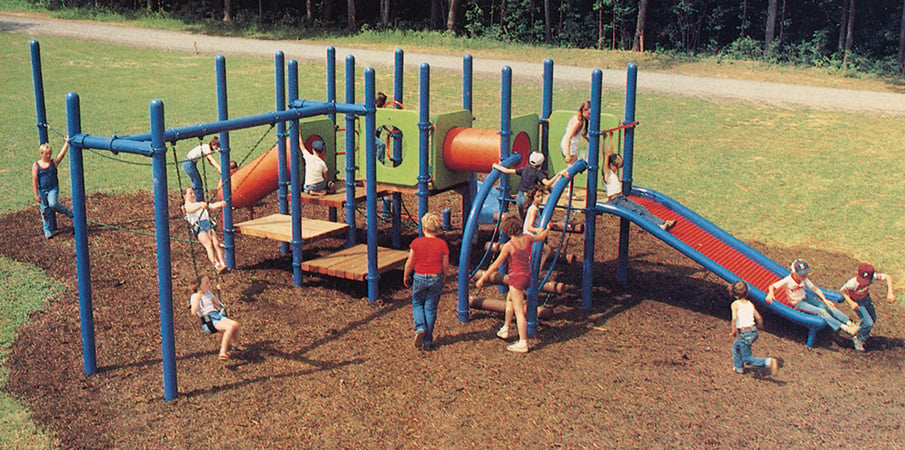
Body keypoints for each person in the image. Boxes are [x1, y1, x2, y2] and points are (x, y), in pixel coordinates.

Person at [475, 213, 551, 354]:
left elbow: (495, 265)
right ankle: (506, 327)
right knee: (510, 299)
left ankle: (523, 342)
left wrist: (483, 278)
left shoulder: (509, 246)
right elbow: (541, 238)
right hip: (527, 276)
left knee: (519, 311)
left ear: (507, 231)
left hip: (516, 279)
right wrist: (547, 228)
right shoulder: (527, 238)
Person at [602, 131, 677, 231]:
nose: (617, 168)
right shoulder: (607, 174)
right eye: (616, 166)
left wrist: (610, 137)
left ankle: (662, 223)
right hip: (615, 201)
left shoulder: (613, 173)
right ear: (611, 165)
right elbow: (606, 155)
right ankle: (657, 226)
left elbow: (611, 154)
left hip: (621, 198)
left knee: (642, 209)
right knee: (636, 211)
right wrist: (603, 139)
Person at [765, 259, 859, 337]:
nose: (804, 276)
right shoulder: (788, 280)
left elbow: (814, 288)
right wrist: (771, 293)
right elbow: (772, 286)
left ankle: (848, 322)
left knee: (825, 306)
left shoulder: (804, 279)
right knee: (821, 311)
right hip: (798, 303)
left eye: (805, 274)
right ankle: (843, 327)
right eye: (801, 274)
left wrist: (825, 299)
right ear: (794, 273)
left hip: (805, 298)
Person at [402, 212, 450, 351]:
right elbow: (445, 265)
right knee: (430, 307)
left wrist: (406, 275)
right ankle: (428, 340)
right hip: (436, 277)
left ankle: (420, 327)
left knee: (417, 303)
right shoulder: (442, 244)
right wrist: (445, 276)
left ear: (424, 228)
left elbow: (411, 262)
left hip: (420, 276)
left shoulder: (417, 243)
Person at [840, 263, 895, 352]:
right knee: (868, 323)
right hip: (857, 302)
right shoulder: (852, 283)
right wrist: (851, 302)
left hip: (866, 299)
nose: (863, 282)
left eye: (866, 280)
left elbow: (888, 277)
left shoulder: (873, 277)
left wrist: (890, 292)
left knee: (873, 318)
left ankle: (859, 328)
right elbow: (842, 290)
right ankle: (859, 339)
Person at [728, 280, 779, 376]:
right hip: (753, 331)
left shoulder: (735, 304)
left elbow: (734, 319)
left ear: (734, 294)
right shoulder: (750, 304)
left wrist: (733, 330)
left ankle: (768, 362)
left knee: (747, 359)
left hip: (745, 333)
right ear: (746, 292)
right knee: (737, 346)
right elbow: (758, 317)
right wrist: (760, 326)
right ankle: (738, 368)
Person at [492, 151, 565, 214]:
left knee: (522, 217)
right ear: (541, 164)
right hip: (528, 198)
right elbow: (547, 183)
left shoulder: (524, 170)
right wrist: (558, 175)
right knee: (529, 216)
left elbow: (507, 171)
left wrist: (497, 166)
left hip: (519, 197)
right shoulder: (538, 173)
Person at [189, 275, 241, 360]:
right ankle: (222, 352)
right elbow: (194, 312)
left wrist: (218, 292)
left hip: (217, 315)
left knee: (235, 324)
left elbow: (217, 304)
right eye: (206, 283)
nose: (209, 285)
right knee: (229, 328)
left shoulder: (209, 293)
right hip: (209, 320)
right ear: (200, 285)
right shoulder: (195, 296)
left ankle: (236, 345)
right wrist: (197, 300)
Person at [31, 138, 74, 238]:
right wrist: (36, 194)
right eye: (46, 154)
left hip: (52, 188)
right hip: (42, 190)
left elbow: (61, 155)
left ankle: (69, 213)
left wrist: (67, 143)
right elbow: (34, 180)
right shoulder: (36, 165)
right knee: (45, 210)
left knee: (53, 204)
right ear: (41, 154)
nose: (48, 156)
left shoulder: (53, 163)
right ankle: (47, 230)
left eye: (49, 153)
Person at [182, 186, 227, 273]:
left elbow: (212, 206)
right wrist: (200, 205)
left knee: (216, 243)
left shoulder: (199, 203)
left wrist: (220, 204)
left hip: (207, 224)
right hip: (198, 227)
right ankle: (216, 264)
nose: (193, 195)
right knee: (208, 245)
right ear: (184, 196)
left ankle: (222, 262)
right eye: (190, 193)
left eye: (193, 193)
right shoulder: (186, 206)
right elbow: (190, 210)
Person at [521, 186, 553, 269]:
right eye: (538, 196)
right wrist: (540, 230)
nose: (541, 198)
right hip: (529, 236)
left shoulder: (534, 208)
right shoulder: (534, 210)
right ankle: (536, 269)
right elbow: (529, 227)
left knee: (546, 250)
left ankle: (537, 268)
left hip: (530, 236)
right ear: (533, 198)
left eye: (541, 195)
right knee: (545, 251)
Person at [182, 136, 222, 202]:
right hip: (188, 163)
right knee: (197, 182)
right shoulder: (206, 148)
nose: (217, 148)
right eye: (217, 146)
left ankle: (196, 199)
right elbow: (211, 159)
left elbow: (209, 161)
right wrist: (219, 168)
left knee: (197, 182)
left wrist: (217, 168)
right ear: (213, 144)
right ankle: (198, 201)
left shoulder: (206, 148)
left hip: (190, 163)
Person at [560, 100, 590, 167]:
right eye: (589, 113)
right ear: (584, 110)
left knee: (573, 165)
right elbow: (569, 137)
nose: (590, 116)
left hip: (570, 144)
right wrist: (568, 154)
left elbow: (582, 133)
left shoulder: (581, 118)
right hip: (569, 145)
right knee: (571, 168)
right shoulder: (578, 122)